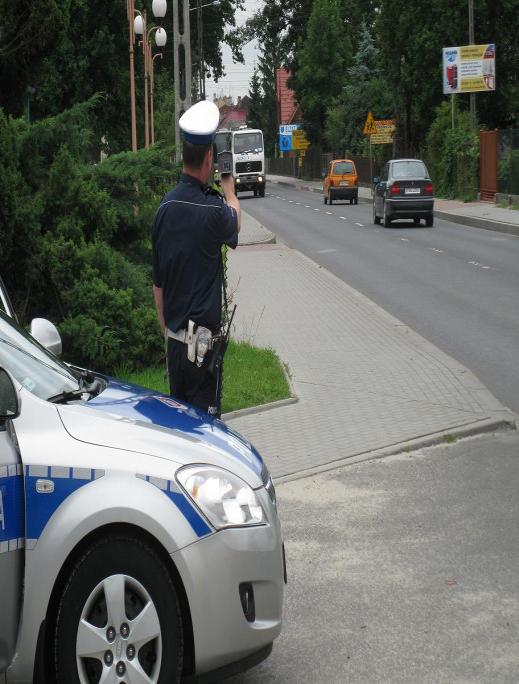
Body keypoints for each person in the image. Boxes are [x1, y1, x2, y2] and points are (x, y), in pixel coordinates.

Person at [152, 100, 240, 417]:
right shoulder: (214, 208)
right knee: (206, 431)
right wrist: (229, 191)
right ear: (208, 158)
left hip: (175, 345)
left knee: (180, 429)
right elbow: (234, 230)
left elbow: (158, 285)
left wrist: (170, 333)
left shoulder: (163, 210)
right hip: (202, 347)